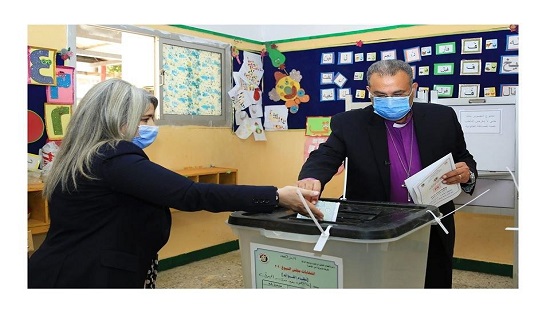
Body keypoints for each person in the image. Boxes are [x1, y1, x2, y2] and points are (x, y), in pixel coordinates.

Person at [28, 78, 323, 288]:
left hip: (65, 268)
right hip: (87, 277)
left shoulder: (81, 155)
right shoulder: (113, 155)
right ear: (115, 120)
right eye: (144, 120)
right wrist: (276, 195)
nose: (151, 128)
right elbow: (191, 194)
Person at [297, 59, 477, 288]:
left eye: (399, 93)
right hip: (374, 229)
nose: (390, 101)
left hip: (431, 225)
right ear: (368, 92)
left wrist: (467, 174)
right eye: (381, 95)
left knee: (433, 283)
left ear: (414, 89)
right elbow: (326, 155)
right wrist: (312, 177)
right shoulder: (351, 123)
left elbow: (464, 158)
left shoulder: (442, 118)